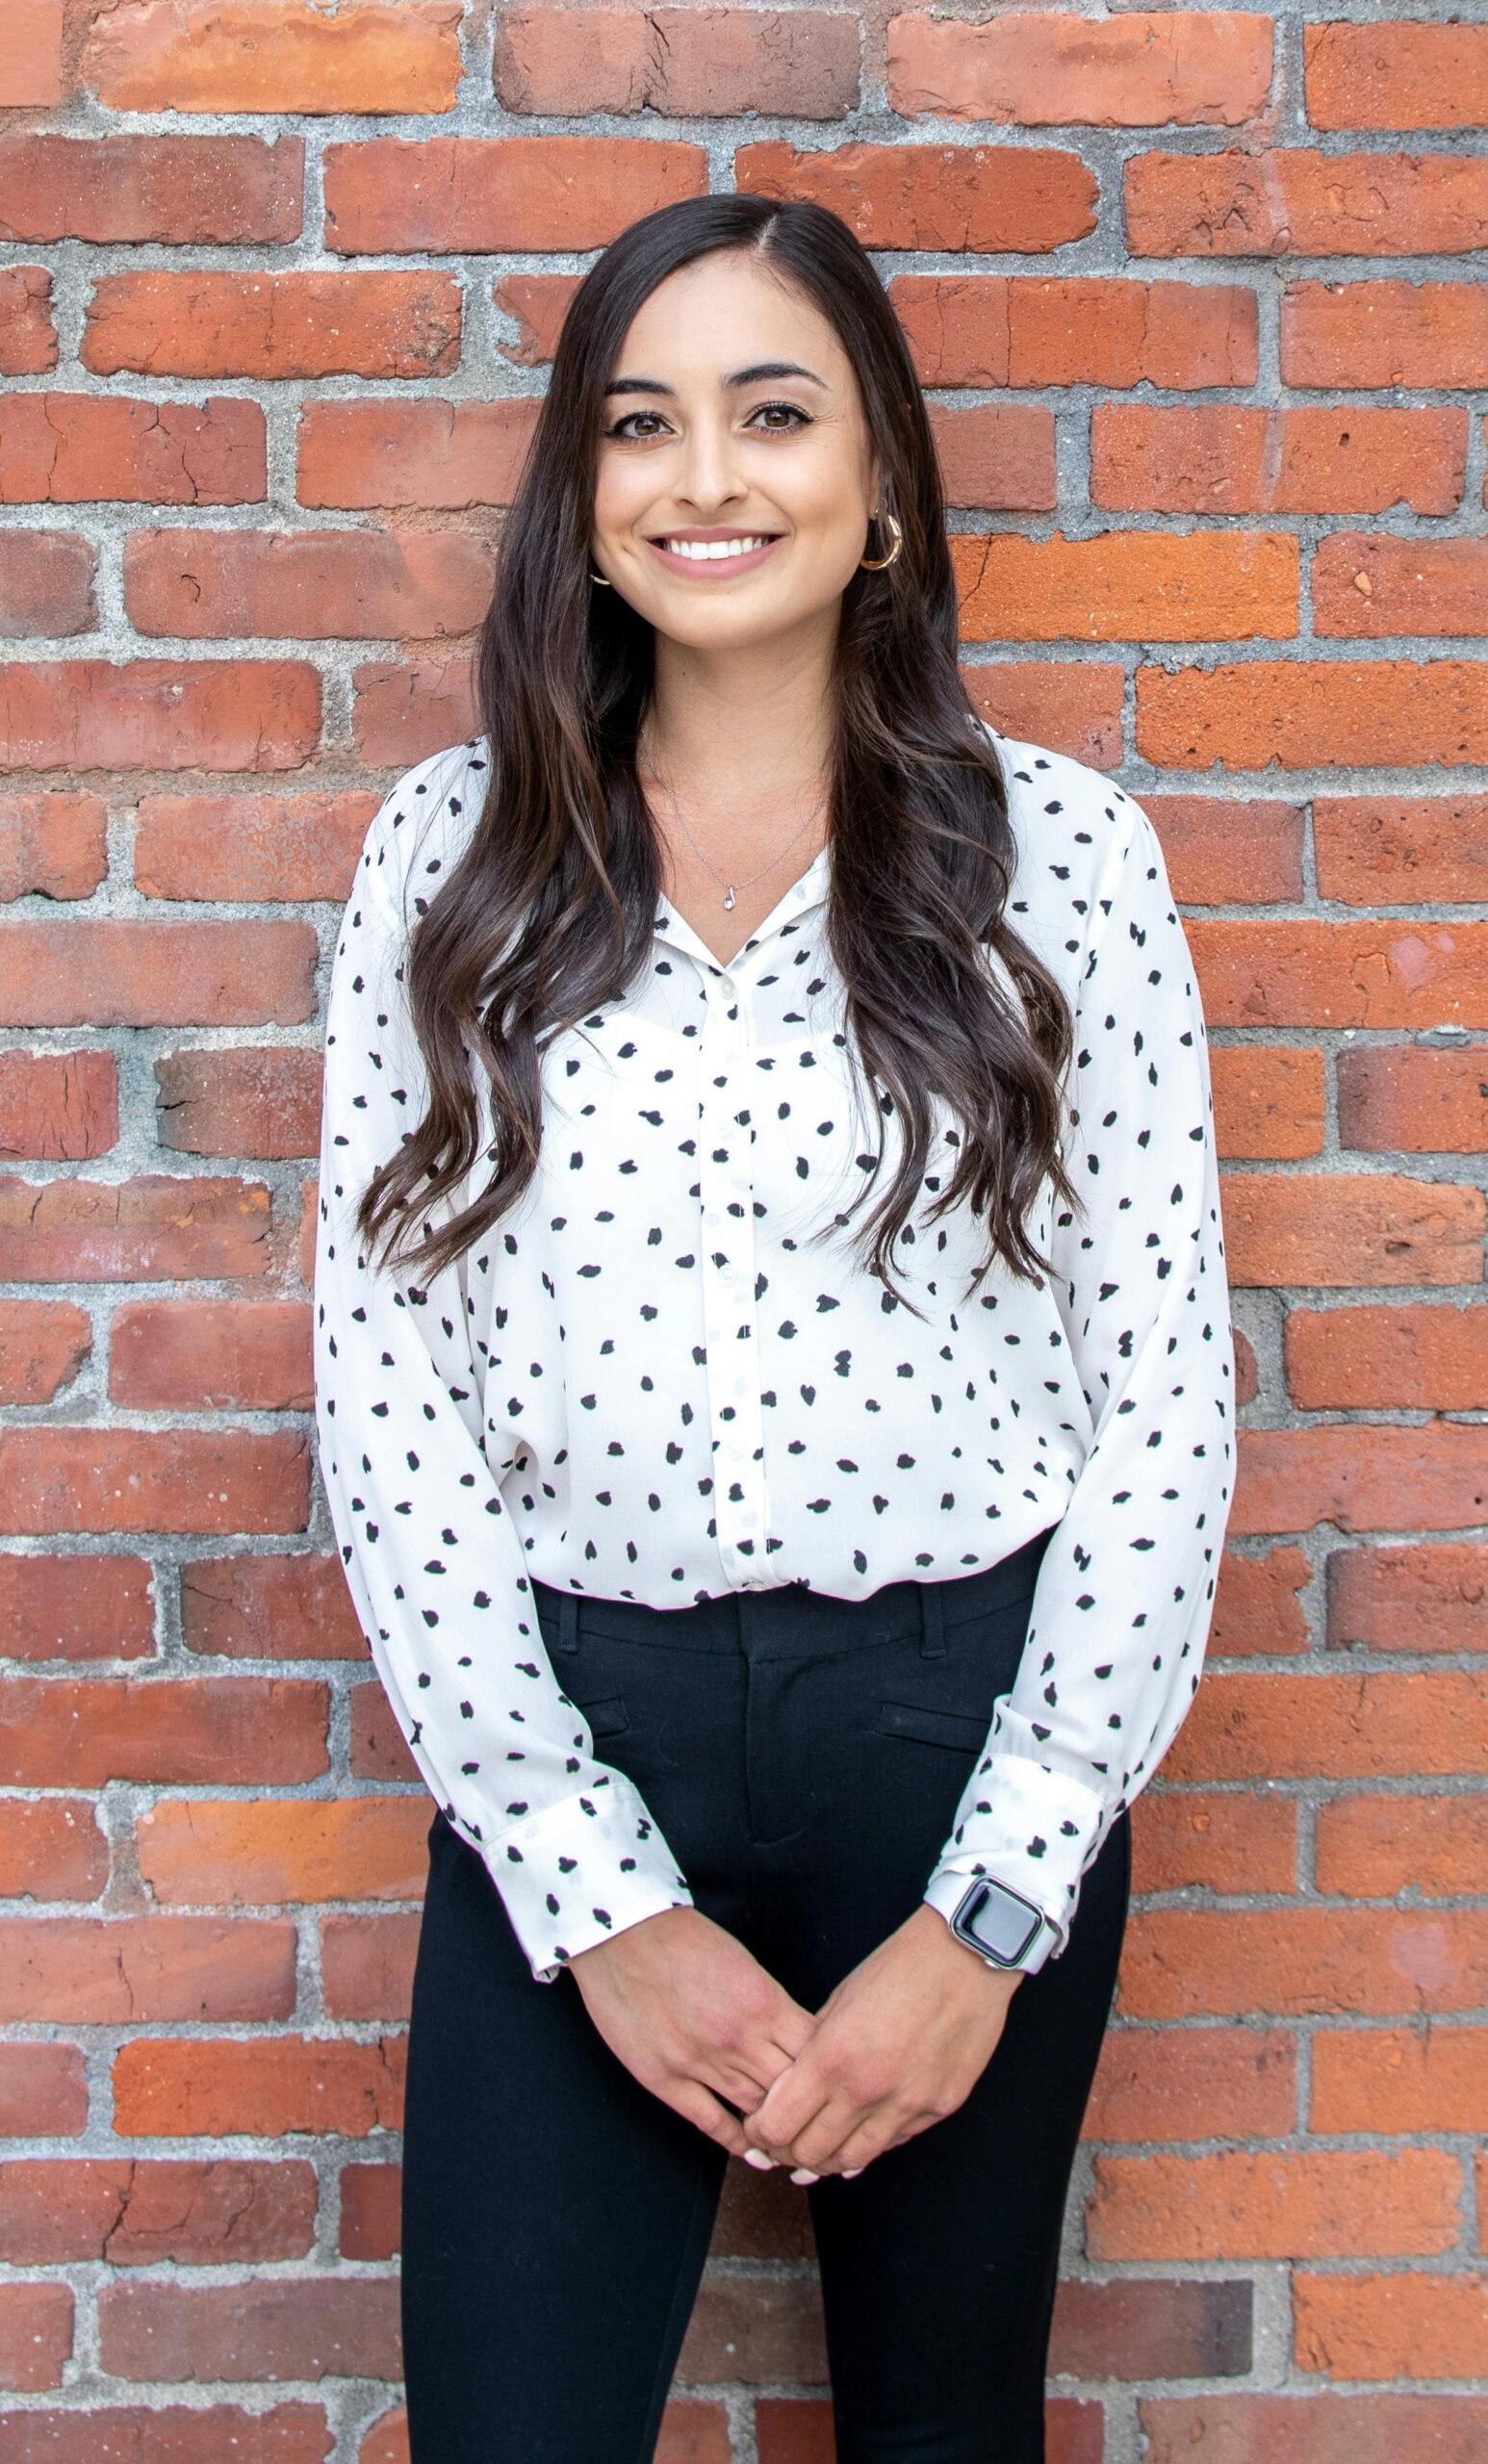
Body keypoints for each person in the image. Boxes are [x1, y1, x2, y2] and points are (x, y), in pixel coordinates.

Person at [312, 192, 1235, 2464]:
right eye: (639, 424)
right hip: (573, 1718)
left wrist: (989, 1911)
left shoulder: (1060, 862)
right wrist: (590, 1888)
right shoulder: (451, 861)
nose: (701, 475)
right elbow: (382, 1391)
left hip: (956, 1727)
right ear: (580, 495)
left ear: (881, 486)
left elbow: (1165, 1401)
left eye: (770, 412)